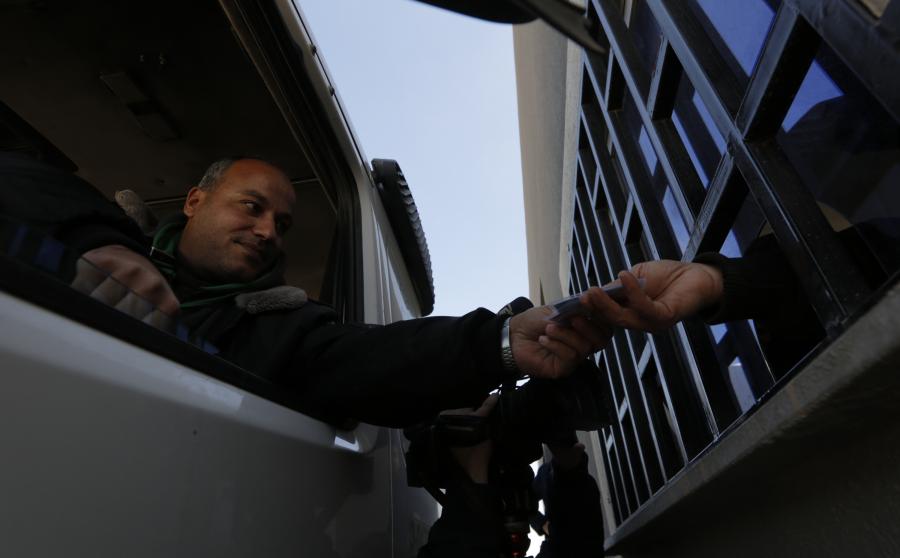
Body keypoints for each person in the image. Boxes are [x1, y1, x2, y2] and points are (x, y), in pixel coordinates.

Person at [0, 152, 616, 427]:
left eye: (282, 224)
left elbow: (376, 359)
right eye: (252, 206)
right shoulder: (95, 232)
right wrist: (96, 242)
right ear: (194, 201)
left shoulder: (281, 327)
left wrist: (498, 343)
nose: (268, 231)